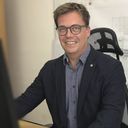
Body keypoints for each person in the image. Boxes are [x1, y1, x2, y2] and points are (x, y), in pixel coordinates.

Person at [15, 2, 126, 128]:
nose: (68, 35)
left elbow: (110, 118)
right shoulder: (50, 69)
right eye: (62, 29)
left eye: (75, 28)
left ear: (87, 31)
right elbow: (23, 103)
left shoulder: (111, 68)